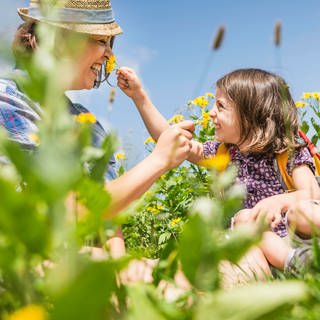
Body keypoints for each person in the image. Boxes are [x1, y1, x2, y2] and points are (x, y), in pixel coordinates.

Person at [0, 0, 194, 268]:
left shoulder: (86, 123)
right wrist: (158, 160)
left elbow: (108, 217)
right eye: (101, 41)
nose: (109, 55)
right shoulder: (8, 104)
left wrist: (122, 270)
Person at [117, 66, 320, 277]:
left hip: (301, 235)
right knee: (244, 218)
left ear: (251, 115)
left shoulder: (288, 151)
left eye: (221, 106)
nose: (211, 113)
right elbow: (172, 140)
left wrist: (278, 202)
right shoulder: (222, 154)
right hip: (268, 248)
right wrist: (140, 98)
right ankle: (297, 265)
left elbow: (312, 193)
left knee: (302, 212)